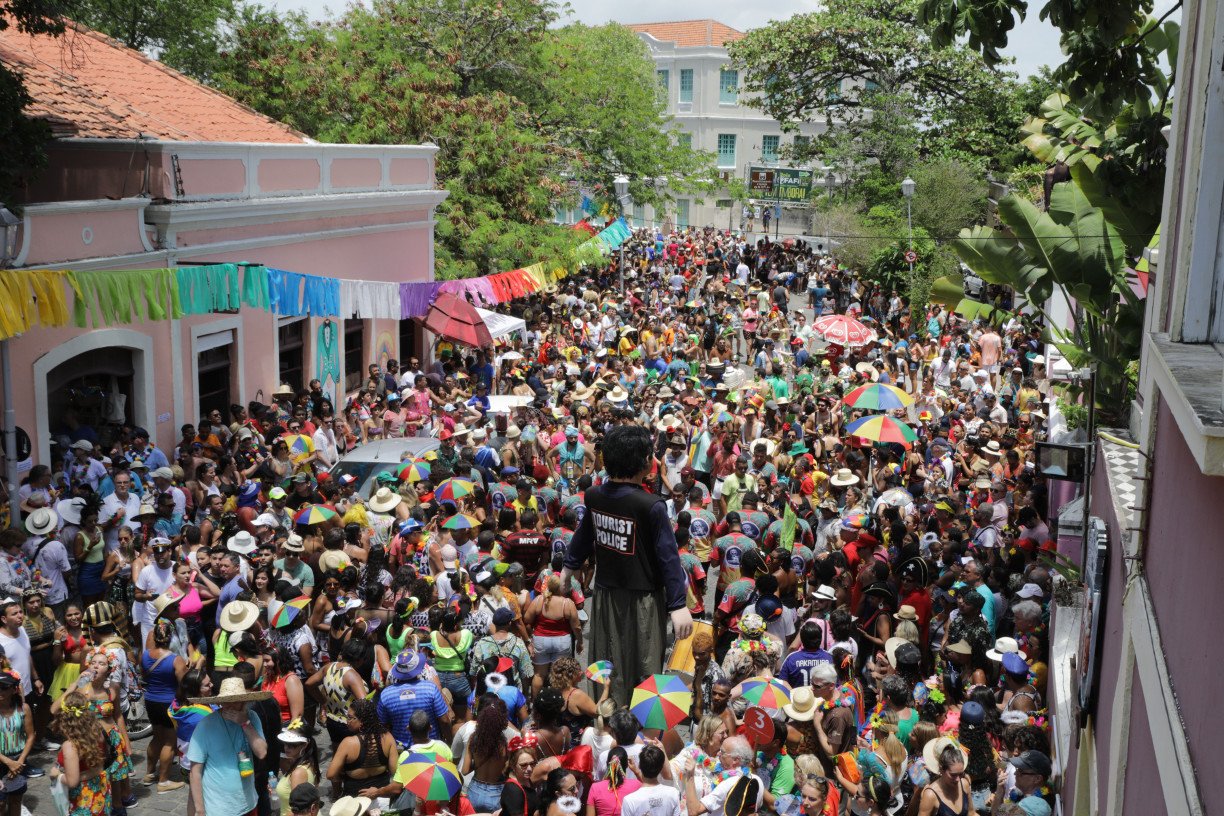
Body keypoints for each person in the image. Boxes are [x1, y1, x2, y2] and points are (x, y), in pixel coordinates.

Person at [562, 424, 692, 703]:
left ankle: (606, 710)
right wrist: (678, 604)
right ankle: (636, 726)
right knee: (644, 663)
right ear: (645, 462)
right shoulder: (652, 505)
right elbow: (669, 559)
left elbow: (583, 537)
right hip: (643, 599)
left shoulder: (595, 495)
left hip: (606, 594)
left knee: (606, 658)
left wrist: (568, 569)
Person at [186, 677, 271, 816]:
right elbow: (195, 771)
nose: (229, 706)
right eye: (226, 701)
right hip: (218, 809)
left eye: (234, 701)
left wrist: (245, 724)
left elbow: (261, 752)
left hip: (249, 804)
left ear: (244, 702)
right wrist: (200, 810)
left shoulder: (252, 718)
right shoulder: (206, 725)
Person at [48, 691, 112, 816]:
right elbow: (100, 766)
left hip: (82, 798)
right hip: (99, 791)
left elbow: (72, 782)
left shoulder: (70, 746)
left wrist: (57, 775)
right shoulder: (98, 733)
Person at [0, 670, 32, 816]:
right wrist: (8, 762)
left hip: (18, 760)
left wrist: (19, 761)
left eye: (4, 687)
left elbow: (31, 736)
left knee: (16, 799)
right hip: (3, 760)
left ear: (14, 689)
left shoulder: (23, 708)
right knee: (0, 802)